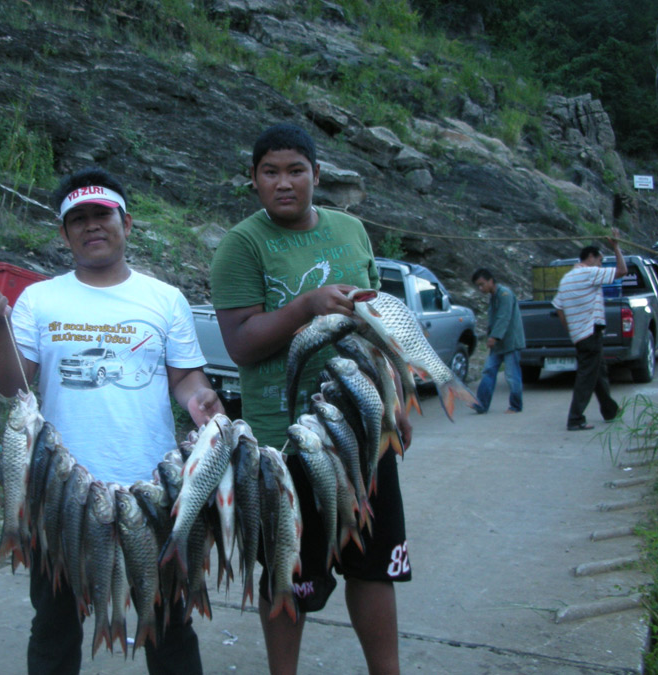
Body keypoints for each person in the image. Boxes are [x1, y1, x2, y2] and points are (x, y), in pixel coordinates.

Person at [0, 167, 223, 675]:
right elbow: (10, 383)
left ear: (126, 224)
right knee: (55, 624)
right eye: (78, 219)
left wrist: (202, 402)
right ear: (64, 234)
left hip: (152, 487)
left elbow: (186, 380)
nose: (92, 227)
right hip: (60, 489)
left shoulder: (165, 298)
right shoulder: (40, 299)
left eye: (102, 215)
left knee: (169, 622)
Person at [210, 123, 411, 675]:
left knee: (374, 566)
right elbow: (241, 345)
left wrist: (394, 398)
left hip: (365, 429)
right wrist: (306, 307)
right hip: (286, 442)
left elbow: (377, 321)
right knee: (287, 571)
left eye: (296, 170)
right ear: (253, 181)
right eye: (270, 172)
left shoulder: (351, 230)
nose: (283, 183)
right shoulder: (241, 246)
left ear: (317, 176)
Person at [552, 231, 627, 431]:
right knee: (587, 376)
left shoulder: (566, 278)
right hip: (590, 333)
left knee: (598, 372)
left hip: (580, 335)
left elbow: (558, 307)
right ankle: (575, 418)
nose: (601, 266)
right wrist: (616, 246)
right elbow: (621, 271)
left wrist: (572, 331)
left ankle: (609, 410)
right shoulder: (589, 273)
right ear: (591, 258)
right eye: (600, 261)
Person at [470, 268, 526, 414]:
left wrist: (494, 337)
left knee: (512, 375)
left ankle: (515, 405)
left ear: (490, 281)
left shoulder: (505, 294)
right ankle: (481, 404)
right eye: (478, 286)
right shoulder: (494, 296)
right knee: (488, 371)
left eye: (482, 284)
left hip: (510, 342)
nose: (480, 288)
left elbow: (504, 317)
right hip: (498, 343)